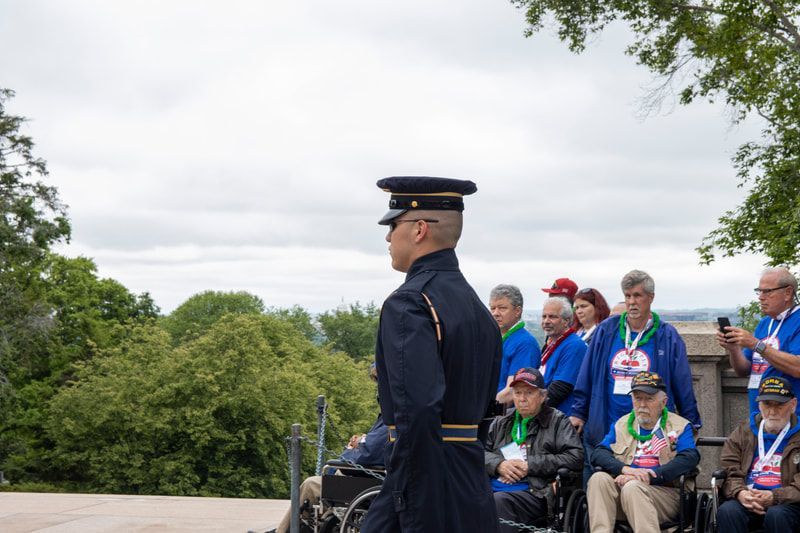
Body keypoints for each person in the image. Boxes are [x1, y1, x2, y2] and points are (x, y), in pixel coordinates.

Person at [362, 176, 502, 532]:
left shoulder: (410, 302)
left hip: (425, 480)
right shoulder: (476, 307)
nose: (388, 238)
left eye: (393, 225)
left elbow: (418, 410)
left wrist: (412, 500)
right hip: (469, 479)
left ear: (419, 229)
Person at [569, 270, 701, 481]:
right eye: (628, 296)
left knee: (638, 485)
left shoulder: (667, 335)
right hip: (607, 423)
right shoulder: (607, 330)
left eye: (637, 296)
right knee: (599, 484)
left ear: (651, 297)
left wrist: (691, 422)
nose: (631, 302)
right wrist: (578, 412)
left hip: (649, 427)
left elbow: (682, 383)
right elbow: (587, 374)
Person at [587, 371, 699, 533]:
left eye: (649, 399)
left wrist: (649, 476)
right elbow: (599, 453)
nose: (642, 404)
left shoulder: (680, 426)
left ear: (663, 402)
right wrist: (626, 470)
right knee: (599, 479)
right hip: (624, 490)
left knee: (633, 487)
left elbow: (689, 458)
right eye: (637, 398)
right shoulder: (622, 424)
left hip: (664, 494)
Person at [485, 367, 583, 532]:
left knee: (498, 501)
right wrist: (499, 465)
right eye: (517, 393)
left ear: (543, 396)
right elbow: (480, 453)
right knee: (465, 496)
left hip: (535, 491)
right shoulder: (501, 421)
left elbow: (575, 457)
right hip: (495, 485)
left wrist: (529, 465)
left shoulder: (558, 421)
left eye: (529, 393)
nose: (522, 399)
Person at [716, 376, 800, 533]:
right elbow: (729, 468)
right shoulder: (744, 431)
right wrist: (740, 492)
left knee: (777, 514)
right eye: (767, 404)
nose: (772, 412)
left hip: (788, 502)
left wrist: (775, 496)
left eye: (780, 405)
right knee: (728, 511)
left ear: (793, 405)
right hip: (748, 496)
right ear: (759, 404)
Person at [717, 268, 800, 415]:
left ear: (788, 293)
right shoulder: (764, 323)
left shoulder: (797, 320)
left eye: (767, 291)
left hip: (791, 417)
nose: (761, 297)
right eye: (759, 291)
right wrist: (734, 349)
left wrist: (756, 344)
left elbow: (797, 367)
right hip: (759, 414)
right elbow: (743, 370)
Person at [490, 284, 542, 404]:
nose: (495, 313)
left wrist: (483, 408)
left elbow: (513, 391)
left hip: (502, 411)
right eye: (492, 308)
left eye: (502, 308)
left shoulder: (525, 343)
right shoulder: (494, 338)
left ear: (517, 311)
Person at [540, 297, 587, 414]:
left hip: (560, 416)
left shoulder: (574, 345)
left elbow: (561, 388)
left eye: (552, 317)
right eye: (544, 316)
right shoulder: (552, 342)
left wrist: (535, 409)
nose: (546, 321)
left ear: (566, 321)